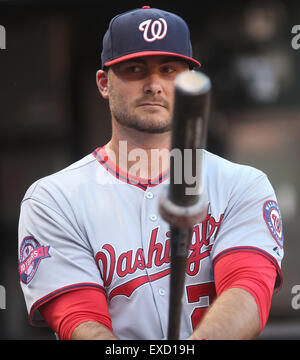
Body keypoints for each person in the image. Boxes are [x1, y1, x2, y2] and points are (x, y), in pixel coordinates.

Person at [18, 6, 284, 340]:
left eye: (169, 69)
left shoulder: (241, 185)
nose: (154, 84)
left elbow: (247, 293)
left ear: (189, 83)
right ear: (103, 83)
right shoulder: (54, 199)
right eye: (134, 69)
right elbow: (80, 321)